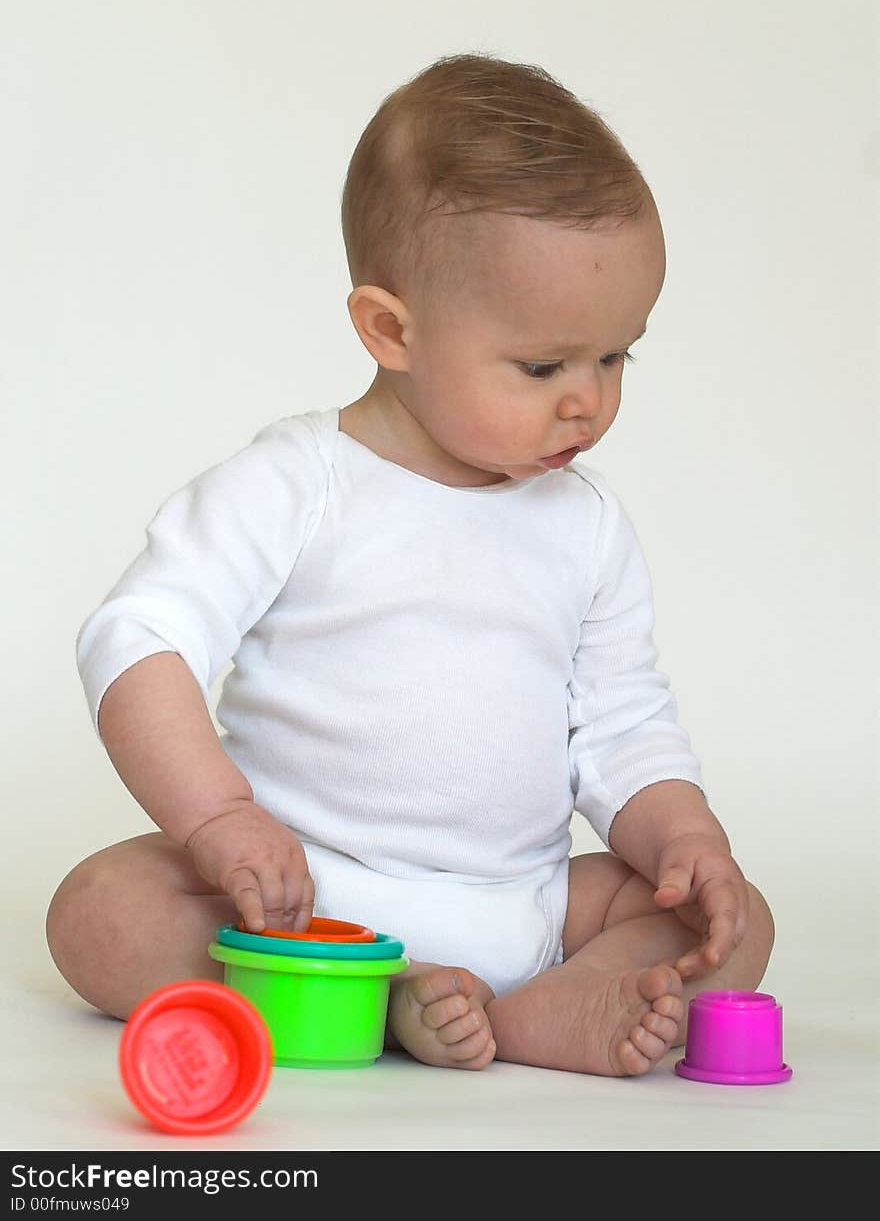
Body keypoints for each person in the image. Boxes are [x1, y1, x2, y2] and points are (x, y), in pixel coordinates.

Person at [47, 53, 774, 1077]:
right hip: (298, 897)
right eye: (543, 364)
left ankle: (528, 1008)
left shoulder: (586, 526)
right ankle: (379, 996)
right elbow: (138, 635)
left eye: (616, 356)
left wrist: (681, 832)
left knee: (730, 920)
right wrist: (220, 817)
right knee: (100, 911)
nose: (589, 400)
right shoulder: (300, 481)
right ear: (391, 329)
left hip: (522, 896)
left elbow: (619, 724)